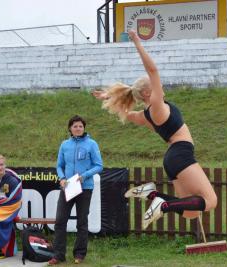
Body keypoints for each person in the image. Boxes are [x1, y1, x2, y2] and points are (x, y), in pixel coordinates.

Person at [92, 30, 217, 230]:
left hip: (173, 159)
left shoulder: (145, 115)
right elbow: (153, 70)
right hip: (181, 154)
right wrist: (137, 41)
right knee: (210, 201)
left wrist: (108, 97)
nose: (161, 84)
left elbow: (128, 112)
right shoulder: (157, 105)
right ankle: (163, 204)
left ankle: (152, 194)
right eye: (155, 85)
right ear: (148, 92)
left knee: (191, 213)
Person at [48, 115, 103, 265]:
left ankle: (79, 254)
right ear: (70, 129)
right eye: (75, 126)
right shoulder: (64, 144)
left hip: (85, 188)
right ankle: (58, 255)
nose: (78, 128)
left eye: (80, 126)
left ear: (84, 128)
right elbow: (59, 165)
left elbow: (99, 166)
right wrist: (62, 177)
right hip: (67, 187)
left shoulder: (92, 144)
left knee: (82, 222)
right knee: (60, 221)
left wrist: (84, 176)